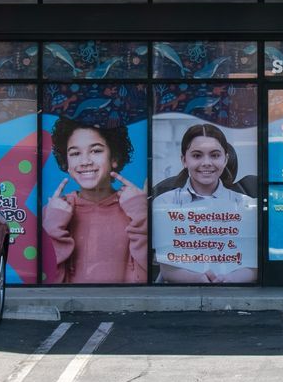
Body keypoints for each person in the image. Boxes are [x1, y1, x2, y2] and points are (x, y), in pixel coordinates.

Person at [41, 116, 147, 284]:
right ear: (66, 163)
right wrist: (53, 227)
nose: (85, 161)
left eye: (96, 150)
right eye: (75, 153)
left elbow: (148, 277)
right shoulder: (55, 211)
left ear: (114, 158)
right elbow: (46, 281)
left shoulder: (134, 207)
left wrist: (141, 215)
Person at [153, 124, 258, 284]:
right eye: (197, 155)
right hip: (178, 295)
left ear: (226, 159)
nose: (206, 162)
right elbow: (168, 269)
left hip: (235, 293)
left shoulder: (246, 205)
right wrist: (198, 279)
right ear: (184, 160)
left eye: (215, 155)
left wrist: (228, 280)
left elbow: (252, 267)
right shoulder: (164, 203)